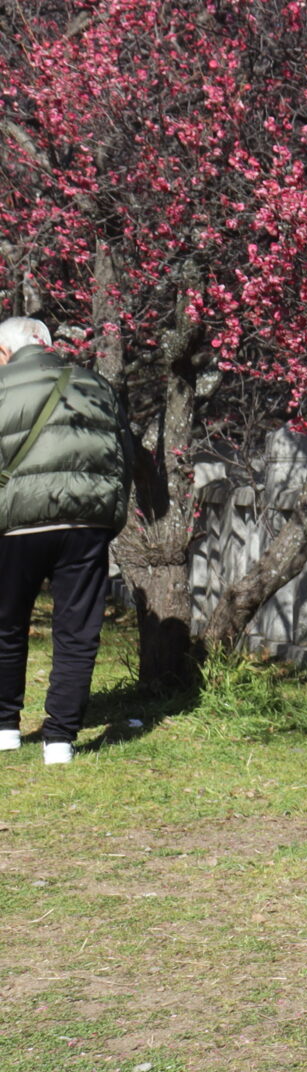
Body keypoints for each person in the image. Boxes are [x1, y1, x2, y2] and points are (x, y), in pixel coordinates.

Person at [0, 317, 130, 765]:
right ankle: (60, 740)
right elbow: (122, 458)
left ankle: (5, 727)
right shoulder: (97, 386)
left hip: (16, 524)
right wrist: (110, 518)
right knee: (77, 631)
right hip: (85, 524)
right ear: (47, 344)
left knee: (5, 625)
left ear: (5, 351)